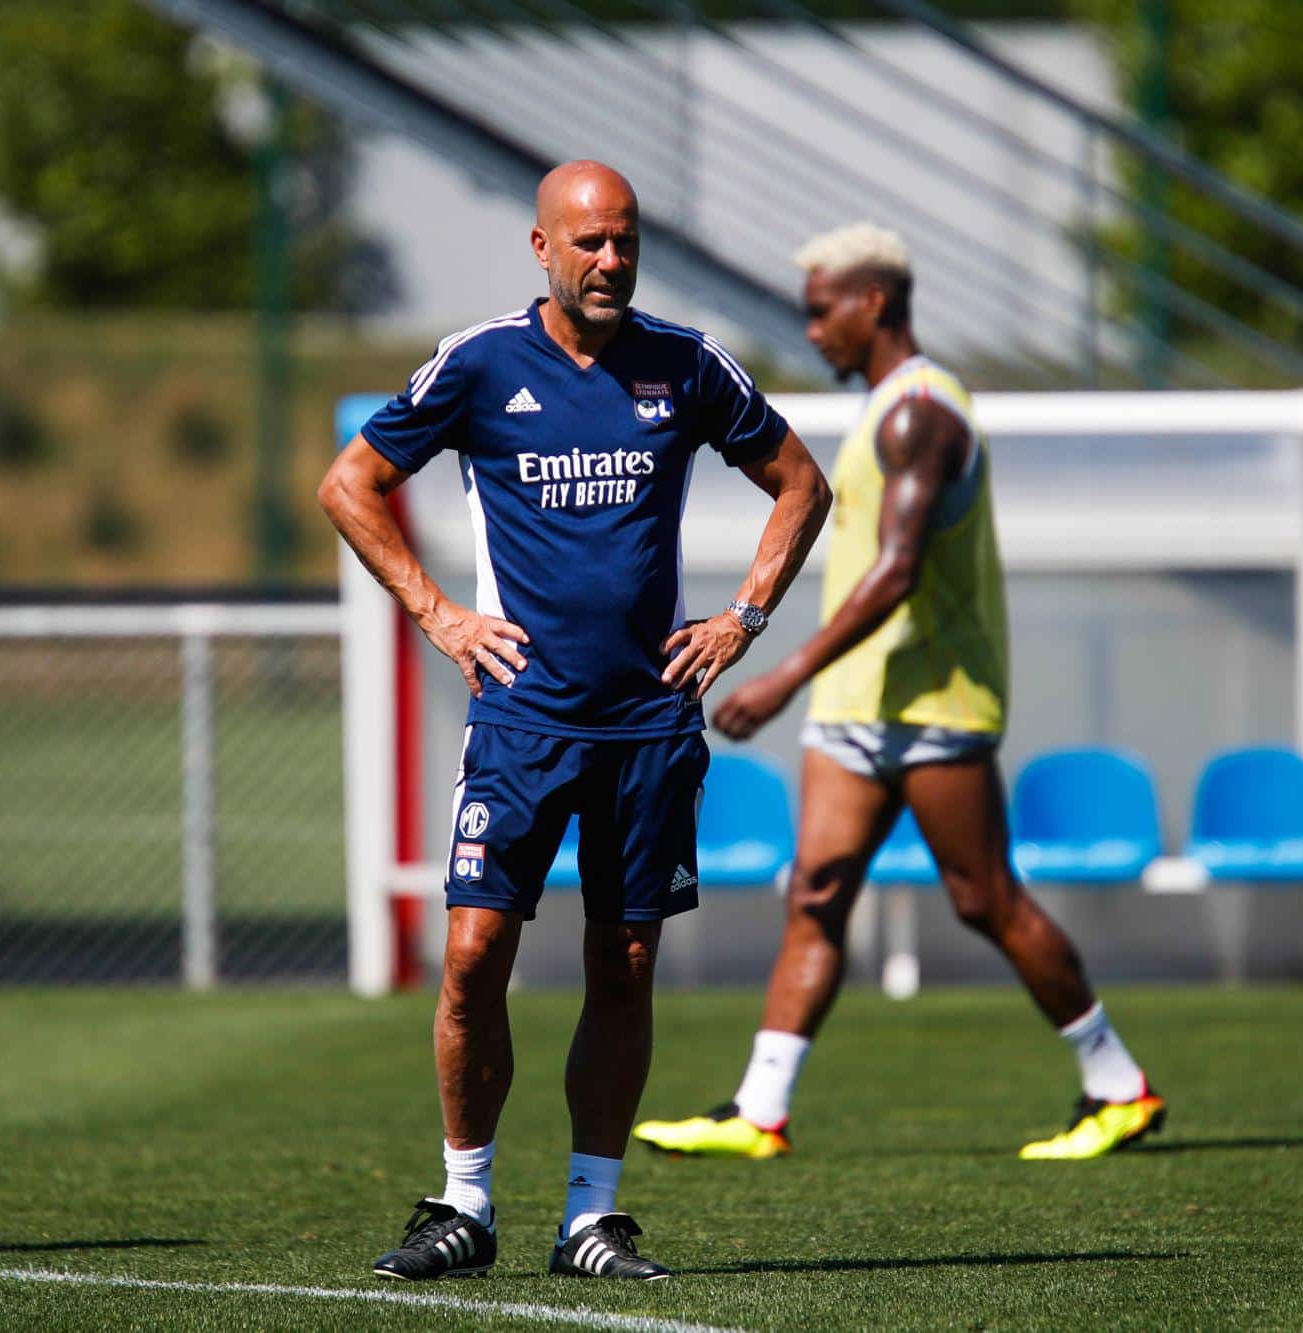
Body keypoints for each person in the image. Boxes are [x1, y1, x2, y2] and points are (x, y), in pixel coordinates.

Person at [319, 161, 830, 1281]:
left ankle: (589, 1219)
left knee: (627, 958)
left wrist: (741, 619)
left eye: (625, 241)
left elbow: (801, 483)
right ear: (541, 248)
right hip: (523, 722)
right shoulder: (480, 362)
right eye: (589, 242)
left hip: (648, 726)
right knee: (471, 953)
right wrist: (440, 615)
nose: (610, 260)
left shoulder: (687, 365)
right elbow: (349, 484)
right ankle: (462, 1204)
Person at [632, 222, 1164, 1164]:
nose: (811, 331)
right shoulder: (884, 408)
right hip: (854, 707)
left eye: (819, 310)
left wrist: (783, 670)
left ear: (871, 302)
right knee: (818, 893)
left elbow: (900, 569)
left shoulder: (923, 413)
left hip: (931, 704)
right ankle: (760, 1109)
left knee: (984, 899)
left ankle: (1117, 1083)